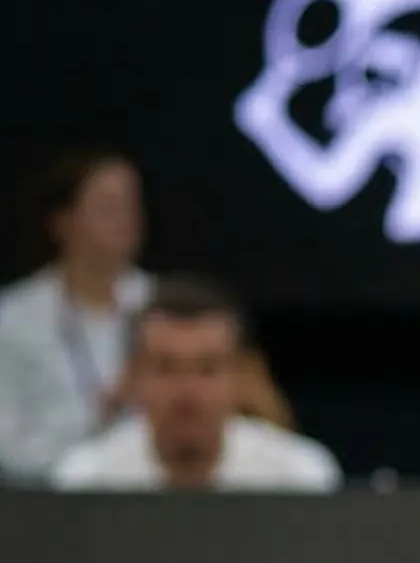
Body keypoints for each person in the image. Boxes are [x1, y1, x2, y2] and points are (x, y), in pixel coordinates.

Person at [49, 276, 341, 492]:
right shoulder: (86, 481)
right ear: (134, 378)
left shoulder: (298, 478)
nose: (187, 390)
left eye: (207, 369)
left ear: (240, 378)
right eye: (166, 368)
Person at [0, 149, 152, 484]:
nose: (126, 220)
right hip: (47, 498)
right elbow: (8, 449)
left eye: (131, 206)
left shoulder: (162, 308)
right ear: (62, 222)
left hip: (154, 493)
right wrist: (104, 415)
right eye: (109, 208)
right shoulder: (13, 319)